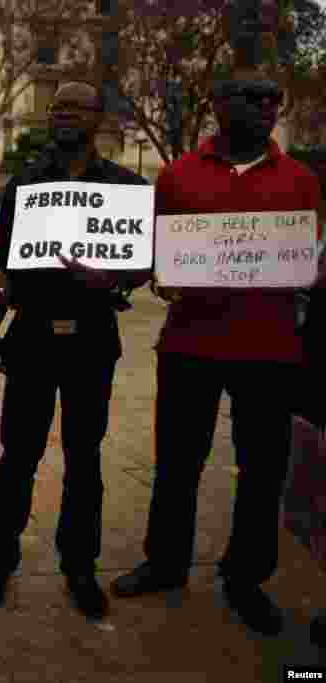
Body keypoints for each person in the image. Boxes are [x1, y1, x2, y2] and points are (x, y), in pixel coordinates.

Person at [112, 67, 324, 636]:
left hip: (271, 348)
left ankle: (246, 578)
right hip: (190, 343)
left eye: (271, 100)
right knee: (178, 461)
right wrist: (128, 275)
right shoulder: (177, 176)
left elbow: (309, 258)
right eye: (250, 97)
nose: (263, 107)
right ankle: (165, 563)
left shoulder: (303, 180)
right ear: (219, 104)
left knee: (262, 470)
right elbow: (152, 253)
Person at [0, 82, 150, 621]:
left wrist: (115, 280)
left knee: (84, 455)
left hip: (94, 340)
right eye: (58, 107)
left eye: (78, 105)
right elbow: (2, 261)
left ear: (99, 117)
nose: (65, 114)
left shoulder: (126, 186)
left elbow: (143, 265)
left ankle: (79, 565)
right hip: (30, 336)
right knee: (17, 456)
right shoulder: (25, 182)